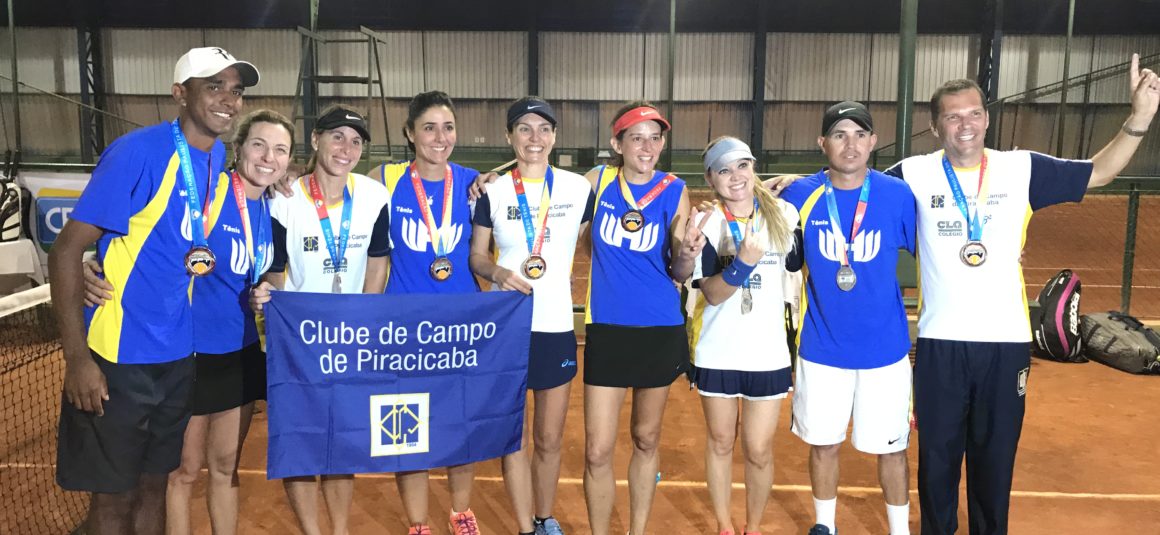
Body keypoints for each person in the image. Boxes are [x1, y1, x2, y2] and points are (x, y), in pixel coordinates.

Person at [884, 56, 1159, 535]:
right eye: (953, 116)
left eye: (974, 113)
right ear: (934, 127)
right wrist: (795, 185)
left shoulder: (1020, 168)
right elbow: (851, 188)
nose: (965, 125)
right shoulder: (911, 173)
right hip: (940, 343)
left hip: (1006, 343)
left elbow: (1098, 172)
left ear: (987, 119)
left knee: (994, 462)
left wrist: (1140, 117)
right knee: (937, 462)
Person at [48, 47, 258, 535]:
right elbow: (65, 251)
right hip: (118, 358)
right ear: (180, 94)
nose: (228, 99)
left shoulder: (215, 159)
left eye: (235, 90)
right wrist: (77, 360)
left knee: (154, 486)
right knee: (113, 501)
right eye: (214, 87)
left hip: (176, 359)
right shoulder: (138, 153)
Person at [81, 109, 294, 535]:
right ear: (238, 149)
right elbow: (140, 233)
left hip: (239, 352)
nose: (268, 157)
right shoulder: (208, 196)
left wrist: (265, 293)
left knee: (226, 467)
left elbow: (267, 276)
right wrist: (92, 259)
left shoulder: (273, 217)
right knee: (183, 471)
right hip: (189, 352)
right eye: (258, 145)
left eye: (280, 150)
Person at [251, 105, 392, 535]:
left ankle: (340, 530)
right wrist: (270, 296)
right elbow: (275, 269)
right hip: (298, 344)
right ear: (315, 140)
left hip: (348, 342)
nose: (346, 148)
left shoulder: (374, 197)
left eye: (356, 140)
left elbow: (377, 263)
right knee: (300, 443)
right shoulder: (284, 198)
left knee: (341, 443)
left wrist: (365, 319)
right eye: (337, 136)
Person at [779, 102, 917, 535]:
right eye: (839, 134)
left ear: (874, 142)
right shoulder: (799, 195)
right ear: (822, 143)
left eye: (860, 134)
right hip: (822, 348)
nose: (850, 144)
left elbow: (936, 253)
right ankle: (825, 526)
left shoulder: (897, 195)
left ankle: (898, 530)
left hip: (885, 351)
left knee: (892, 449)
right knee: (823, 445)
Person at [467, 97, 595, 535]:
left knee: (550, 438)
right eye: (524, 128)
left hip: (556, 327)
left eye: (543, 128)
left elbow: (591, 240)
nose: (534, 137)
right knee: (515, 436)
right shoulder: (492, 191)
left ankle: (544, 517)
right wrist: (497, 272)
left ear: (555, 136)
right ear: (510, 137)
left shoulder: (579, 189)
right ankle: (525, 526)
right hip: (508, 326)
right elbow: (477, 256)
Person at [368, 90, 484, 535]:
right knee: (407, 428)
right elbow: (332, 187)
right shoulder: (384, 179)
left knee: (461, 427)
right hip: (405, 329)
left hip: (459, 328)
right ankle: (418, 522)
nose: (440, 137)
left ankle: (460, 511)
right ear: (410, 133)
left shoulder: (473, 183)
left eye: (448, 127)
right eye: (429, 127)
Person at [582, 102, 701, 535]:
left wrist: (688, 254)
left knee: (646, 438)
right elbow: (567, 221)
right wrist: (488, 180)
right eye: (636, 138)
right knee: (597, 449)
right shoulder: (596, 182)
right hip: (607, 327)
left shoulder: (674, 189)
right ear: (617, 144)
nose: (647, 147)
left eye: (655, 138)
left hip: (658, 327)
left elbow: (679, 271)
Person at [686, 136, 801, 535]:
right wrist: (743, 265)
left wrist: (799, 179)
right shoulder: (706, 222)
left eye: (742, 166)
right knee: (720, 442)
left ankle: (753, 526)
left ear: (754, 168)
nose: (735, 176)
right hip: (717, 350)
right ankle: (724, 525)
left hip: (768, 352)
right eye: (724, 170)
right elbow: (713, 294)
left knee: (759, 449)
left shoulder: (784, 213)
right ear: (710, 179)